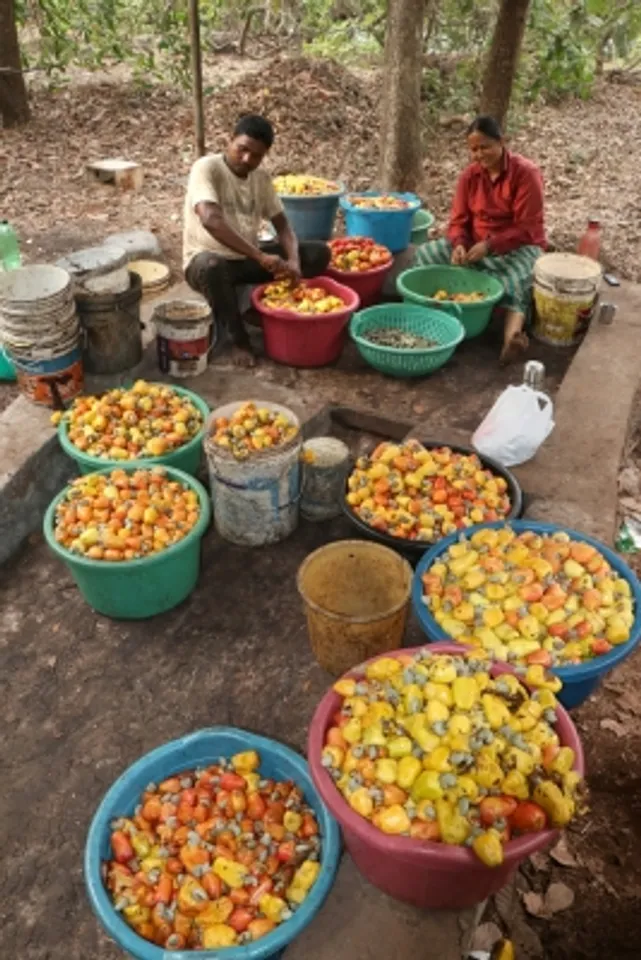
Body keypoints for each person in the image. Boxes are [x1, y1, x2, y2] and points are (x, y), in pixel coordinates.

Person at [183, 114, 330, 366]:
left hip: (245, 260)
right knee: (212, 267)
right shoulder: (207, 168)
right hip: (205, 261)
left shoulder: (260, 179)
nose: (247, 159)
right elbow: (210, 219)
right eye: (242, 150)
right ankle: (236, 340)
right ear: (229, 140)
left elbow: (283, 226)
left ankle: (260, 309)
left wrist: (293, 261)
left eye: (257, 156)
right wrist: (260, 256)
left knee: (318, 254)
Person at [414, 115, 546, 363]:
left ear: (502, 142)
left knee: (521, 278)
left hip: (517, 246)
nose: (479, 154)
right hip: (476, 244)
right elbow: (458, 221)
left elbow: (528, 227)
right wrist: (459, 244)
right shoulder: (469, 177)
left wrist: (491, 245)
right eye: (473, 149)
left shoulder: (526, 173)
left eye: (484, 146)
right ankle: (437, 318)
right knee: (426, 255)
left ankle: (511, 338)